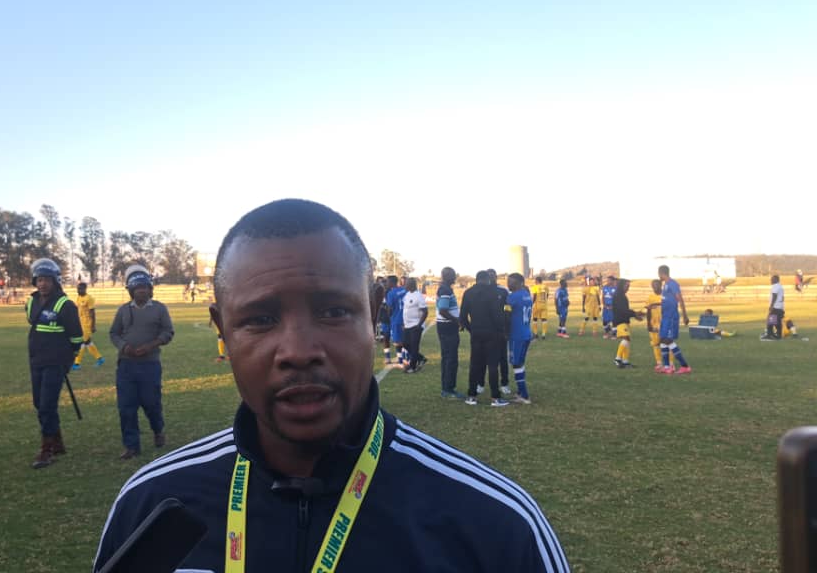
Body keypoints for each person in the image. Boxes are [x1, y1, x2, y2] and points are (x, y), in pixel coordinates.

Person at [93, 199, 569, 572]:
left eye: (334, 311)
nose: (298, 350)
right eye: (260, 319)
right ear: (223, 331)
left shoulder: (494, 524)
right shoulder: (152, 506)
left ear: (373, 313)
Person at [109, 264, 174, 460]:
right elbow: (114, 333)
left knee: (151, 403)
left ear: (150, 289)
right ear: (130, 290)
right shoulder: (123, 310)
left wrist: (151, 345)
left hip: (150, 365)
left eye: (144, 287)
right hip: (126, 366)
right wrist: (124, 347)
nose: (141, 291)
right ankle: (131, 446)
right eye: (137, 288)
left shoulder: (159, 309)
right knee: (126, 407)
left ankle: (158, 430)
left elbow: (168, 332)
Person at [24, 258, 83, 469]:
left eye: (47, 280)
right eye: (39, 280)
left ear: (55, 281)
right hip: (36, 360)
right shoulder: (31, 302)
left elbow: (77, 337)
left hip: (56, 362)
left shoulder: (65, 305)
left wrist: (67, 358)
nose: (42, 284)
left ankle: (47, 449)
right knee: (39, 403)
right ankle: (57, 442)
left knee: (47, 405)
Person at [460, 271, 509, 407]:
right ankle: (495, 397)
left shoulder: (468, 293)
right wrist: (501, 330)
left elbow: (463, 317)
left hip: (476, 333)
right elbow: (498, 316)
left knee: (474, 365)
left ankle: (471, 396)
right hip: (492, 333)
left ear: (476, 280)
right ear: (487, 280)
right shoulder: (493, 293)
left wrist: (471, 329)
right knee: (493, 365)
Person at [657, 265, 692, 374]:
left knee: (668, 340)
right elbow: (667, 300)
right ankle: (667, 367)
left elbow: (680, 299)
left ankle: (685, 366)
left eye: (658, 274)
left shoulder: (673, 284)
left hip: (671, 316)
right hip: (665, 316)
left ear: (661, 273)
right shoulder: (665, 285)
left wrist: (685, 315)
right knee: (662, 339)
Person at [435, 267, 463, 398]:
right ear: (446, 276)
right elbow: (443, 310)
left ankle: (446, 387)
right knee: (451, 358)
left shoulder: (445, 288)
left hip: (445, 326)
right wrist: (457, 321)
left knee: (447, 357)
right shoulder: (445, 290)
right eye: (453, 275)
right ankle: (448, 389)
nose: (455, 277)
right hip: (447, 327)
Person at [506, 273, 534, 404]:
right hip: (526, 333)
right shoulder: (527, 295)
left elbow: (506, 314)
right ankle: (520, 391)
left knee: (516, 363)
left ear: (520, 283)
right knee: (520, 363)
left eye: (511, 282)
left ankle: (524, 395)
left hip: (516, 335)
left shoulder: (512, 297)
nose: (508, 284)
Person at [487, 268, 512, 396]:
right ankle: (480, 383)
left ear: (496, 277)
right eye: (488, 276)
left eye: (493, 276)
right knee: (484, 358)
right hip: (486, 330)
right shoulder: (482, 291)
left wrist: (507, 328)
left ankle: (504, 383)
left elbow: (508, 309)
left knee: (503, 358)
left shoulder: (503, 291)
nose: (491, 278)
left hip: (500, 330)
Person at [610, 279, 644, 368]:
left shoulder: (622, 295)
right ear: (621, 285)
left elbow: (625, 310)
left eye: (629, 286)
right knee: (626, 338)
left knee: (627, 340)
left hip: (624, 320)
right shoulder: (618, 295)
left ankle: (625, 362)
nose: (628, 288)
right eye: (627, 286)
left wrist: (635, 315)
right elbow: (623, 310)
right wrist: (635, 314)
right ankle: (617, 359)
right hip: (619, 321)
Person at [72, 282, 105, 370]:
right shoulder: (78, 297)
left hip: (87, 324)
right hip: (80, 323)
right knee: (88, 342)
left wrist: (93, 325)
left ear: (85, 289)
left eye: (80, 289)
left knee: (82, 342)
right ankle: (100, 358)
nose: (78, 290)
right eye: (77, 289)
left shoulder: (89, 298)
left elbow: (92, 313)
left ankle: (77, 363)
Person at [400, 277, 428, 373]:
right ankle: (421, 358)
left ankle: (413, 367)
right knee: (405, 343)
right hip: (407, 325)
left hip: (416, 325)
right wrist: (404, 323)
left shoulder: (418, 296)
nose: (405, 285)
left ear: (411, 284)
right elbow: (406, 310)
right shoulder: (407, 294)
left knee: (414, 345)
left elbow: (425, 311)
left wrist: (419, 324)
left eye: (406, 283)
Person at [646, 279, 674, 372]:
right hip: (654, 323)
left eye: (657, 285)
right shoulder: (650, 297)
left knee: (667, 342)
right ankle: (659, 363)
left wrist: (655, 304)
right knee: (656, 344)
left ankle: (671, 364)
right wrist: (648, 323)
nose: (655, 287)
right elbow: (648, 311)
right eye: (653, 285)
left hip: (665, 322)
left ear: (661, 285)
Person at [384, 275, 407, 368]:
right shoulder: (404, 290)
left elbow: (389, 309)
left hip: (396, 319)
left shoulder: (391, 293)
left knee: (398, 341)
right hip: (406, 318)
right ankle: (405, 359)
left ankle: (401, 361)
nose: (386, 283)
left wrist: (388, 314)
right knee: (405, 340)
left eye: (387, 282)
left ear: (392, 282)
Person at [762, 275, 786, 340]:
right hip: (780, 307)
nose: (771, 280)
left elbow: (774, 296)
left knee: (770, 321)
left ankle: (770, 335)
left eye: (772, 279)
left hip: (775, 307)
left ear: (776, 280)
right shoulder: (780, 286)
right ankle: (778, 335)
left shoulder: (775, 286)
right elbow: (782, 298)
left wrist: (771, 306)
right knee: (777, 322)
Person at [530, 275, 550, 340]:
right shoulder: (546, 287)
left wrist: (532, 303)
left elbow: (534, 296)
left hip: (537, 305)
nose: (534, 282)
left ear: (537, 281)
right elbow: (547, 295)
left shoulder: (535, 287)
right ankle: (543, 334)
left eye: (535, 281)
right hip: (544, 305)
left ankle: (535, 334)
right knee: (544, 319)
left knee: (535, 319)